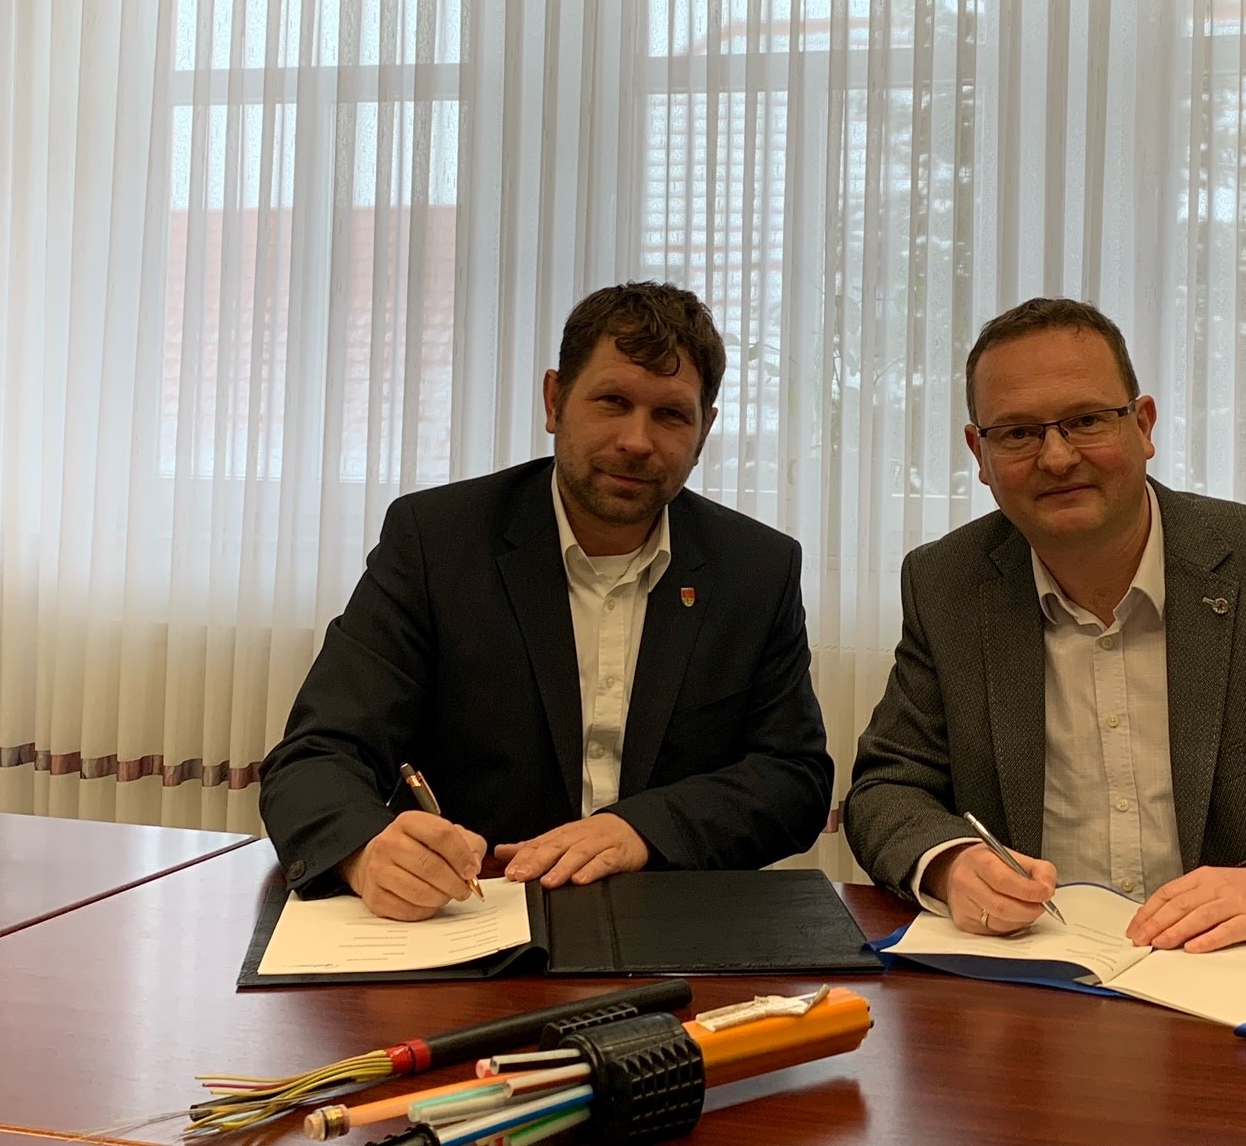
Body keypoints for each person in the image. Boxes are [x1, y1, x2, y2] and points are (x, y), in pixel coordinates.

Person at [845, 297, 1246, 951]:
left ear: (1144, 424)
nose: (1058, 458)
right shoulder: (947, 585)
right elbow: (888, 787)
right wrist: (950, 863)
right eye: (1017, 434)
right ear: (979, 454)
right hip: (1038, 972)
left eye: (1086, 421)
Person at [261, 282, 832, 919]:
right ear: (555, 400)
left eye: (671, 415)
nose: (637, 440)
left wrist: (641, 830)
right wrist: (366, 853)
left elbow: (793, 779)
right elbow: (317, 754)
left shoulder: (755, 569)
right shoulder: (437, 542)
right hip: (471, 915)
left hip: (671, 917)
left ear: (704, 431)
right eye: (612, 402)